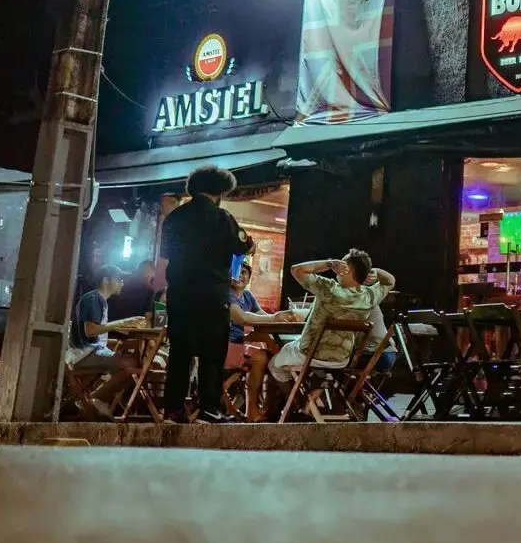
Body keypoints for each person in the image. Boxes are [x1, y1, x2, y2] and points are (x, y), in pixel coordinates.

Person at [160, 166, 253, 423]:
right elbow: (244, 246)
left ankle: (173, 409)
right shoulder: (223, 218)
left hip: (180, 293)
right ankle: (209, 408)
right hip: (212, 296)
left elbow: (164, 257)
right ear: (219, 191)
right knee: (212, 352)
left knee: (180, 352)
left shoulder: (174, 218)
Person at [269, 250, 394, 397]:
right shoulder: (370, 297)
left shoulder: (329, 289)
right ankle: (313, 400)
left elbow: (296, 270)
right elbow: (390, 281)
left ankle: (295, 402)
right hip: (341, 360)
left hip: (309, 354)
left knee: (274, 365)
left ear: (348, 269)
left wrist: (329, 264)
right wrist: (377, 272)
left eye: (342, 263)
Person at [67, 265, 148, 418]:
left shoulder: (100, 300)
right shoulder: (93, 299)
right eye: (119, 279)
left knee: (134, 363)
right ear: (105, 280)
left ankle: (95, 400)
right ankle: (96, 399)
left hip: (90, 351)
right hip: (83, 354)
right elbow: (90, 331)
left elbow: (96, 333)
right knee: (131, 364)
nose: (122, 283)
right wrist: (123, 322)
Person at [225, 262, 281, 422]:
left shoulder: (248, 296)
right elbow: (241, 318)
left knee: (273, 356)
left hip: (237, 344)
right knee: (261, 357)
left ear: (249, 278)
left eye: (244, 273)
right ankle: (252, 411)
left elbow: (263, 318)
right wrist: (273, 320)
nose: (240, 275)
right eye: (236, 272)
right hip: (222, 345)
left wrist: (282, 316)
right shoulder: (227, 294)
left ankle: (267, 408)